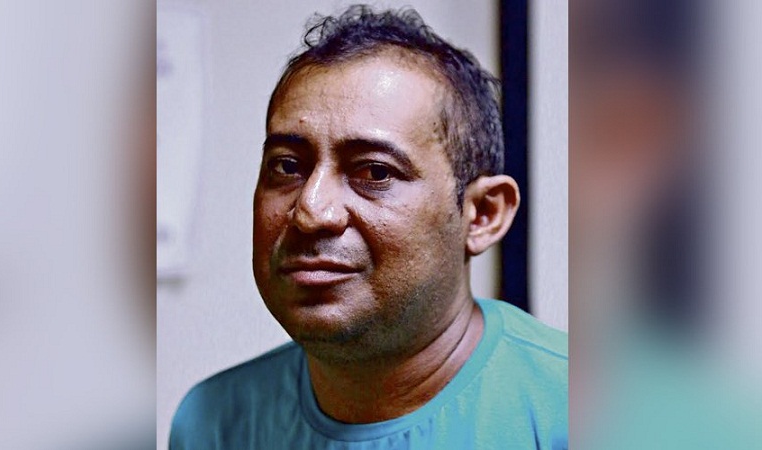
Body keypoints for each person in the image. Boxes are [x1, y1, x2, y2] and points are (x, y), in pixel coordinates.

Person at [170, 5, 567, 449]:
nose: (311, 211)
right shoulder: (215, 422)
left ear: (482, 215)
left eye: (375, 172)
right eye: (287, 166)